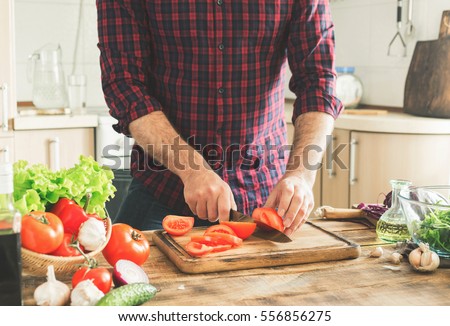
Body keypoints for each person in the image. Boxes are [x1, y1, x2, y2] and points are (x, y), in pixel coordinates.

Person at [96, 0, 343, 235]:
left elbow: (317, 81)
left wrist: (300, 174)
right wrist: (192, 169)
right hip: (163, 189)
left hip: (265, 198)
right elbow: (124, 84)